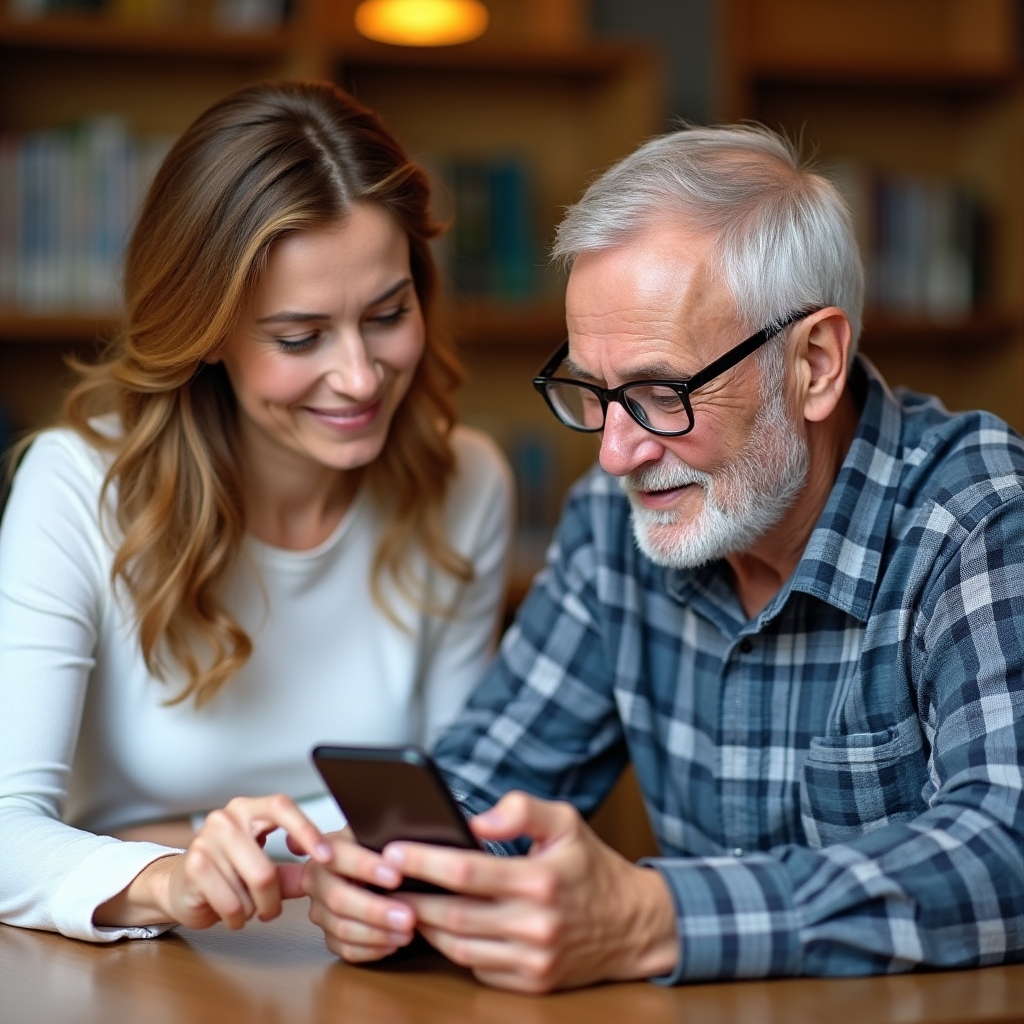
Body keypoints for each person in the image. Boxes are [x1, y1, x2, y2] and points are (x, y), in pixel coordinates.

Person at [300, 124, 1024, 991]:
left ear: (816, 364)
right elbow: (484, 782)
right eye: (597, 394)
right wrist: (388, 873)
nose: (614, 454)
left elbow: (1006, 843)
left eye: (660, 394)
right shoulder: (616, 529)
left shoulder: (979, 519)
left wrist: (657, 919)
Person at [0, 81, 513, 942]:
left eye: (387, 315)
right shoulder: (76, 487)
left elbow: (453, 807)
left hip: (353, 955)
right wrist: (169, 877)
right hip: (133, 963)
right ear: (207, 331)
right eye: (299, 337)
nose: (359, 377)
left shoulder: (467, 482)